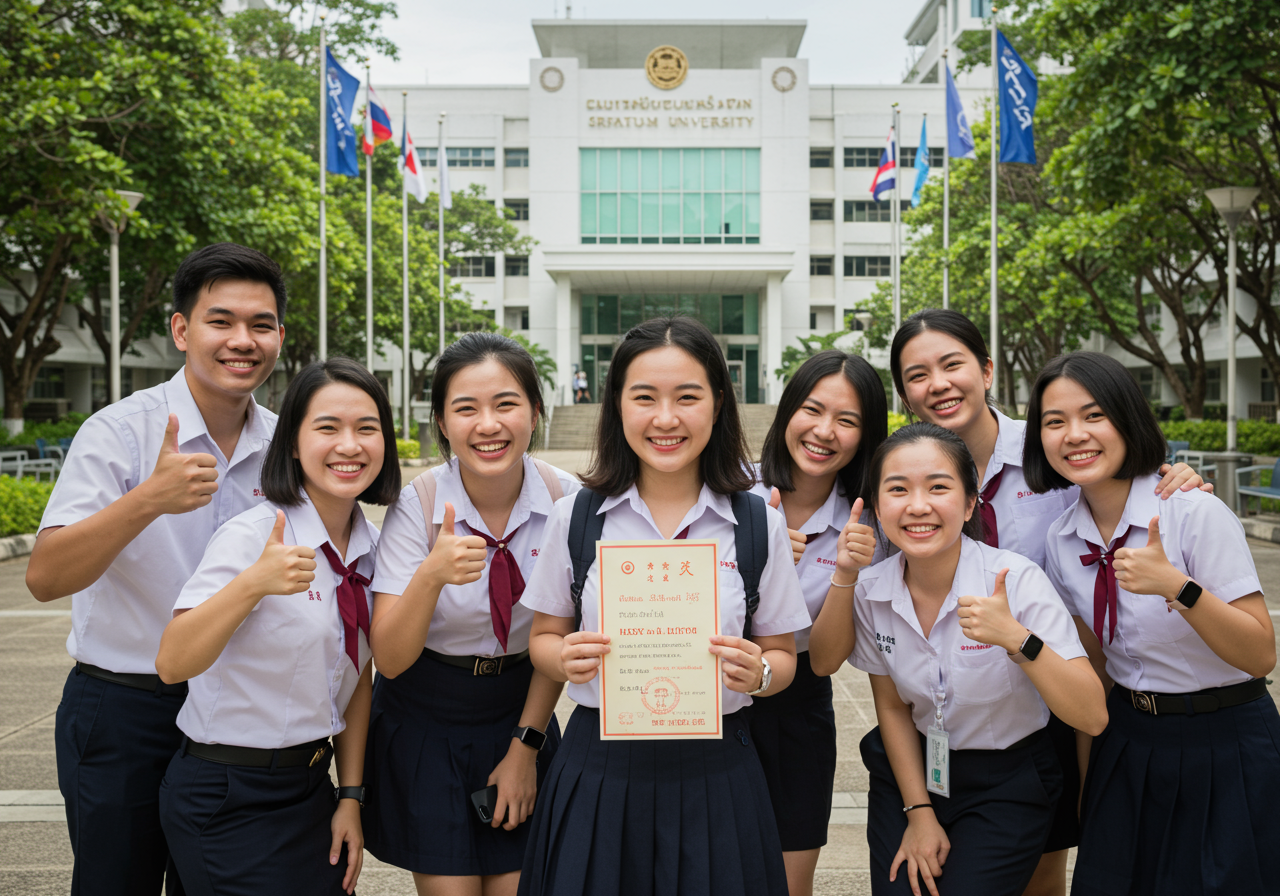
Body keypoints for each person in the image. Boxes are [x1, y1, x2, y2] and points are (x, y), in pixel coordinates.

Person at [885, 309, 1206, 896]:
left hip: (1061, 687)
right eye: (917, 375)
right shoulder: (909, 472)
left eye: (952, 364)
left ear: (985, 370)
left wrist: (1171, 478)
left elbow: (1118, 485)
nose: (938, 384)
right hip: (956, 706)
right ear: (905, 392)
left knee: (1043, 868)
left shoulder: (1054, 450)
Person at [26, 243, 286, 896]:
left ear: (280, 335)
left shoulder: (288, 445)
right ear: (181, 329)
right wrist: (148, 500)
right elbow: (46, 576)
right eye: (220, 321)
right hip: (127, 710)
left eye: (260, 324)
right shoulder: (121, 433)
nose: (241, 340)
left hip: (240, 715)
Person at [519, 316, 810, 896]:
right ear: (617, 405)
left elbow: (782, 655)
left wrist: (761, 673)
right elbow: (544, 638)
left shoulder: (757, 524)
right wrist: (564, 658)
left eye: (688, 397)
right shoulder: (575, 518)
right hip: (600, 767)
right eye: (644, 397)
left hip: (718, 770)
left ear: (719, 403)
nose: (666, 418)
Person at [1023, 352, 1280, 896]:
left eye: (1094, 415)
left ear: (1127, 418)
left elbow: (1260, 653)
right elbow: (1098, 671)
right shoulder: (1062, 537)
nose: (1075, 435)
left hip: (1225, 741)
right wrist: (1092, 787)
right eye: (1054, 421)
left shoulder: (1193, 512)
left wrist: (1176, 587)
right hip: (1128, 741)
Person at [813, 422, 1107, 896]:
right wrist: (919, 811)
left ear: (970, 503)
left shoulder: (1017, 581)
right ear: (876, 507)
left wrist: (1017, 639)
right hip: (913, 775)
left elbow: (1091, 715)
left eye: (939, 487)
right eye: (898, 489)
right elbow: (890, 707)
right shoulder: (871, 590)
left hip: (1007, 780)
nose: (918, 505)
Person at [154, 358, 399, 896]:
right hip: (228, 795)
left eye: (367, 428)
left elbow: (359, 677)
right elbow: (172, 662)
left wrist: (350, 796)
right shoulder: (254, 535)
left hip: (311, 790)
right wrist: (253, 584)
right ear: (292, 442)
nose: (350, 445)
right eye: (327, 428)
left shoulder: (371, 549)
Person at [363, 332, 577, 896]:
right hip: (424, 718)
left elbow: (560, 635)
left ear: (535, 411)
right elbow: (387, 656)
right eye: (466, 408)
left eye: (506, 404)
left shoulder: (568, 502)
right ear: (440, 420)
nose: (488, 425)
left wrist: (524, 748)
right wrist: (431, 575)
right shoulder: (420, 505)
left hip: (519, 710)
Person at [747, 349, 888, 896]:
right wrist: (760, 558)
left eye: (847, 420)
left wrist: (846, 572)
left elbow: (828, 661)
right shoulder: (731, 491)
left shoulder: (867, 522)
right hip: (716, 697)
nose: (824, 431)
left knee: (788, 882)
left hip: (798, 710)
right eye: (812, 409)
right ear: (787, 412)